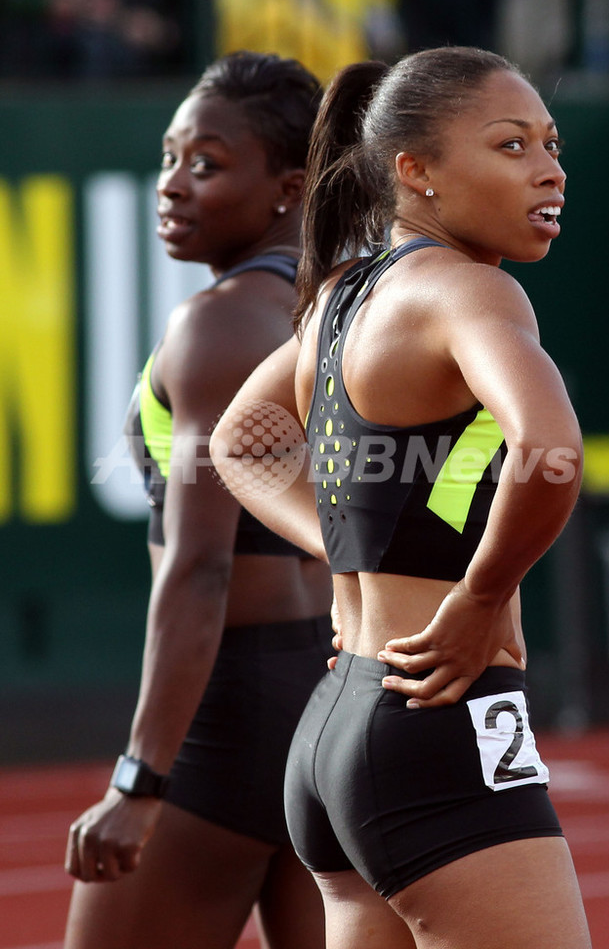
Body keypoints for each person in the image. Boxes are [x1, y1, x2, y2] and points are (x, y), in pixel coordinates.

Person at [210, 46, 593, 948]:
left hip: (339, 719)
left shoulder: (344, 294)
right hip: (439, 719)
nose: (548, 168)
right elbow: (552, 451)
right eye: (509, 146)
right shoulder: (467, 291)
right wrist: (480, 598)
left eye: (550, 142)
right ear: (412, 172)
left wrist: (349, 551)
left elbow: (238, 439)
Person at [64, 51, 332, 949]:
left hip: (234, 713)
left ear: (289, 187)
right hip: (331, 703)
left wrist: (141, 782)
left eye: (206, 164)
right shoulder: (350, 308)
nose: (172, 185)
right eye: (171, 157)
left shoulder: (216, 323)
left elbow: (201, 567)